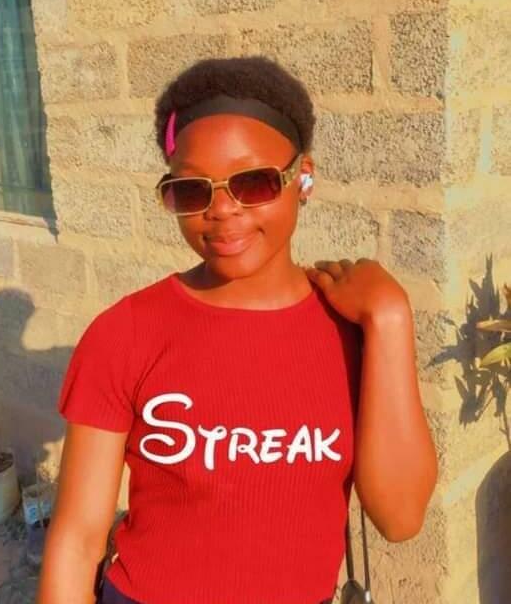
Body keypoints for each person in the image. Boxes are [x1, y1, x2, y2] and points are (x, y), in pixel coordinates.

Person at [37, 56, 437, 604]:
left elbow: (401, 518)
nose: (222, 211)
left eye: (253, 183)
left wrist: (390, 319)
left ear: (303, 178)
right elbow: (78, 540)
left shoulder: (352, 331)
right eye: (192, 190)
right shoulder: (125, 334)